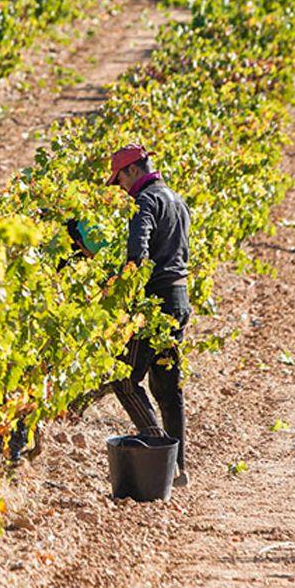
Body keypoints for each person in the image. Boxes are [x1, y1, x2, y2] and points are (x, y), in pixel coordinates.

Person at [106, 143, 192, 487]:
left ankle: (160, 452)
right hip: (179, 299)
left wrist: (115, 289)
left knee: (125, 379)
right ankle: (178, 469)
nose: (122, 189)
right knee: (168, 388)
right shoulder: (177, 199)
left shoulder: (145, 202)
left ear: (132, 171)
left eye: (120, 180)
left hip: (154, 302)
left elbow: (137, 253)